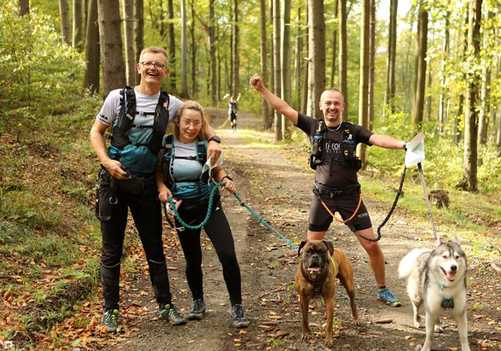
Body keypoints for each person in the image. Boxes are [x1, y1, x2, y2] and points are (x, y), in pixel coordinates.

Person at [90, 47, 222, 332]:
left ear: (166, 72)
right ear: (138, 67)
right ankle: (110, 310)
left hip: (147, 184)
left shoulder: (170, 103)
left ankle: (165, 305)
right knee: (112, 251)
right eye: (148, 63)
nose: (153, 68)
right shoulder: (117, 98)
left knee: (154, 247)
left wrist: (214, 139)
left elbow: (197, 117)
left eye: (158, 65)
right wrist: (106, 161)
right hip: (113, 183)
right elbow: (96, 132)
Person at [250, 74, 407, 307]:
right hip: (322, 199)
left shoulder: (353, 131)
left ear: (342, 106)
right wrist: (262, 89)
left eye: (336, 103)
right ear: (321, 106)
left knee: (372, 245)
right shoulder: (313, 126)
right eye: (328, 103)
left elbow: (377, 139)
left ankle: (382, 289)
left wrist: (403, 145)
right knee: (309, 248)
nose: (332, 107)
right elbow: (283, 108)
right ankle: (307, 287)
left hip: (351, 199)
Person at [157, 101, 249, 328]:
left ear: (202, 124)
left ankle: (237, 306)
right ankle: (198, 302)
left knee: (227, 253)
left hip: (209, 204)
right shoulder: (166, 146)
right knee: (192, 258)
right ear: (178, 122)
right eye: (187, 122)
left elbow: (217, 169)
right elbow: (158, 174)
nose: (191, 127)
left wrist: (226, 180)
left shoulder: (206, 146)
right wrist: (161, 189)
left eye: (196, 123)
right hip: (182, 209)